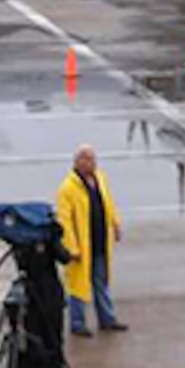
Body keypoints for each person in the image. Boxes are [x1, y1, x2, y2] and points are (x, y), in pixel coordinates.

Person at [58, 144, 127, 336]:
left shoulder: (100, 179)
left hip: (100, 243)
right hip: (82, 247)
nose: (92, 163)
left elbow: (109, 204)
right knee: (78, 287)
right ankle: (77, 323)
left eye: (93, 159)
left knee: (101, 282)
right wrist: (72, 247)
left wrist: (116, 224)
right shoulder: (67, 188)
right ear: (78, 161)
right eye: (87, 159)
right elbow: (64, 221)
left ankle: (107, 319)